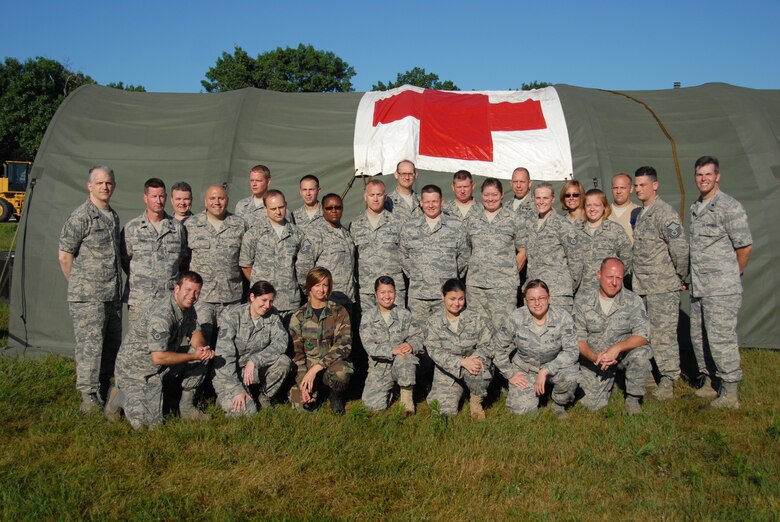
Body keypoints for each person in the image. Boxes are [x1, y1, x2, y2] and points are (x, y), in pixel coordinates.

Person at [108, 271, 215, 429]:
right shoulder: (162, 315)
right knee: (146, 425)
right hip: (137, 371)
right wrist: (193, 356)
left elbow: (195, 332)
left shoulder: (187, 308)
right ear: (176, 289)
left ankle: (186, 406)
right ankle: (119, 396)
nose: (192, 296)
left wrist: (200, 349)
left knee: (203, 355)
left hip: (161, 367)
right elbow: (158, 358)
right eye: (188, 290)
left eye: (196, 292)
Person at [689, 156, 753, 408]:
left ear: (718, 176)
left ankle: (730, 392)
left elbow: (744, 246)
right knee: (699, 337)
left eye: (708, 174)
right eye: (699, 174)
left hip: (721, 289)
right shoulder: (697, 206)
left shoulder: (729, 206)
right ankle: (710, 382)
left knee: (721, 338)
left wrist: (731, 275)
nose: (703, 178)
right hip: (700, 287)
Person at [58, 165, 122, 412]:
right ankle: (88, 396)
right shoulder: (81, 216)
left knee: (110, 346)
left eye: (108, 183)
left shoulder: (111, 216)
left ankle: (104, 388)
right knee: (90, 348)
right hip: (88, 297)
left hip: (111, 295)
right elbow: (65, 255)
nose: (105, 187)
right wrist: (79, 286)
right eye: (99, 183)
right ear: (90, 186)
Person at [632, 166, 689, 400]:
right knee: (644, 334)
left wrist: (679, 277)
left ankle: (669, 380)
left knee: (663, 336)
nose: (638, 189)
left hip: (662, 288)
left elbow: (680, 249)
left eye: (642, 185)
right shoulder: (639, 213)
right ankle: (649, 375)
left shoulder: (665, 213)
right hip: (642, 287)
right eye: (636, 185)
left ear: (655, 185)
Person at [491, 280, 579, 418]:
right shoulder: (517, 317)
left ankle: (558, 404)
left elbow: (572, 351)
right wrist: (509, 373)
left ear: (549, 298)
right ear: (526, 301)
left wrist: (545, 370)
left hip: (552, 368)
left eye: (541, 298)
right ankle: (527, 396)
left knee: (572, 376)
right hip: (526, 369)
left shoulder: (563, 318)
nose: (537, 303)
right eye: (532, 299)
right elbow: (497, 345)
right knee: (523, 413)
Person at [574, 258, 651, 415]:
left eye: (619, 278)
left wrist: (617, 348)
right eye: (610, 277)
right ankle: (615, 382)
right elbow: (578, 339)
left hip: (623, 356)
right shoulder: (583, 301)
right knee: (592, 405)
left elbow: (643, 335)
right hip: (595, 360)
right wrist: (595, 357)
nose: (614, 282)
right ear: (599, 274)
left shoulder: (633, 300)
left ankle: (633, 398)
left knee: (642, 354)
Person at [212, 281, 292, 415]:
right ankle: (225, 397)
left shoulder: (272, 314)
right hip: (230, 373)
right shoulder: (233, 316)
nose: (267, 305)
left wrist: (255, 360)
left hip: (253, 369)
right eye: (264, 300)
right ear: (252, 297)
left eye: (271, 301)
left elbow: (281, 342)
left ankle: (264, 397)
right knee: (248, 413)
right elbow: (225, 357)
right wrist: (237, 389)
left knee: (283, 362)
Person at [185, 185, 247, 349]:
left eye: (221, 198)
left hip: (231, 299)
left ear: (227, 200)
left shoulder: (239, 225)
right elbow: (181, 260)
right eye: (212, 198)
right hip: (202, 298)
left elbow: (247, 259)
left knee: (228, 347)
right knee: (200, 347)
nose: (217, 202)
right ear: (205, 201)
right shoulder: (191, 225)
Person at [399, 184, 470, 326]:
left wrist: (450, 277)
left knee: (446, 336)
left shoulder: (456, 226)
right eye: (427, 202)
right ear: (421, 203)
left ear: (441, 202)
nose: (431, 205)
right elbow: (403, 256)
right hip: (418, 296)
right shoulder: (409, 228)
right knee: (418, 338)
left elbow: (464, 257)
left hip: (446, 296)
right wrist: (417, 275)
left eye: (434, 201)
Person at [120, 178, 187, 324]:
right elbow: (125, 261)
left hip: (168, 299)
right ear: (145, 198)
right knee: (139, 344)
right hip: (140, 300)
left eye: (161, 196)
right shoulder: (132, 228)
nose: (158, 200)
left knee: (166, 343)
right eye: (154, 196)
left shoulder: (177, 228)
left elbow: (180, 259)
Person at [425, 279, 493, 419]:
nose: (456, 303)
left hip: (472, 366)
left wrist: (475, 359)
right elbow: (433, 350)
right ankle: (453, 390)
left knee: (480, 369)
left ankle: (475, 401)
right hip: (448, 371)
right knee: (444, 413)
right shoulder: (434, 321)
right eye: (452, 299)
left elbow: (487, 344)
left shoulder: (475, 318)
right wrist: (461, 362)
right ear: (442, 296)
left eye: (461, 299)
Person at [289, 267, 353, 414]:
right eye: (317, 285)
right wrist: (302, 383)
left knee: (341, 373)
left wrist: (316, 368)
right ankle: (314, 391)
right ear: (309, 287)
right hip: (308, 366)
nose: (321, 289)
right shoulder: (298, 316)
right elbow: (297, 354)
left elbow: (345, 344)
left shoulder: (339, 311)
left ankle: (335, 395)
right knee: (302, 408)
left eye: (325, 285)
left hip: (332, 363)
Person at [464, 178, 524, 329]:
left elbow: (523, 250)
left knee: (504, 328)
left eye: (495, 194)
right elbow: (465, 249)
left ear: (502, 194)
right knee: (478, 328)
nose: (490, 199)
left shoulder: (513, 218)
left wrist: (509, 271)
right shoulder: (472, 219)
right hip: (477, 286)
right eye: (486, 195)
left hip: (504, 287)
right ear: (481, 195)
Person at [239, 189, 306, 323]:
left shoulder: (297, 234)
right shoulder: (253, 234)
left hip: (289, 300)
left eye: (281, 207)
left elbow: (302, 267)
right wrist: (260, 285)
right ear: (265, 209)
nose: (278, 211)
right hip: (263, 302)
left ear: (286, 205)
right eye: (273, 208)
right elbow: (245, 264)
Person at [360, 276, 422, 414]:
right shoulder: (368, 317)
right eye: (383, 292)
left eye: (391, 292)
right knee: (372, 407)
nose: (387, 296)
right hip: (379, 369)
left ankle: (407, 398)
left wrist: (411, 345)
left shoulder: (404, 314)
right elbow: (369, 346)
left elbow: (418, 336)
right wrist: (391, 350)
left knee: (405, 358)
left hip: (401, 364)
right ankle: (392, 389)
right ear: (375, 294)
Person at [520, 182, 582, 312]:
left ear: (553, 199)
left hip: (557, 294)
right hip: (534, 294)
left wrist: (566, 286)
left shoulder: (563, 225)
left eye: (545, 198)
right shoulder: (530, 224)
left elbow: (576, 260)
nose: (541, 202)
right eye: (538, 198)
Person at [349, 179, 405, 308]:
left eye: (379, 195)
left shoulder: (398, 223)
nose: (375, 199)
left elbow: (406, 255)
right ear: (365, 197)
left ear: (385, 197)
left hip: (392, 290)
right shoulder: (356, 225)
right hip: (366, 290)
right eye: (371, 195)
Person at [297, 193, 356, 307]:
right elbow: (302, 266)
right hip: (325, 300)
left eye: (338, 207)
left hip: (347, 298)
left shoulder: (346, 233)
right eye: (329, 208)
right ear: (322, 210)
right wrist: (311, 294)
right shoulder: (315, 234)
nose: (334, 211)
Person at [575, 188, 632, 296]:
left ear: (604, 207)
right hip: (583, 293)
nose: (592, 209)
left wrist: (613, 279)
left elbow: (627, 258)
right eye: (588, 205)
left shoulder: (615, 230)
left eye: (596, 205)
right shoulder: (576, 231)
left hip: (610, 292)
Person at [234, 164, 291, 229]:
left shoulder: (280, 209)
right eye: (252, 180)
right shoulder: (241, 205)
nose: (254, 184)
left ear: (268, 182)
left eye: (258, 180)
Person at [608, 173, 640, 244]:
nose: (618, 191)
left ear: (631, 189)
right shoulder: (603, 213)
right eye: (615, 188)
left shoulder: (639, 213)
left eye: (622, 188)